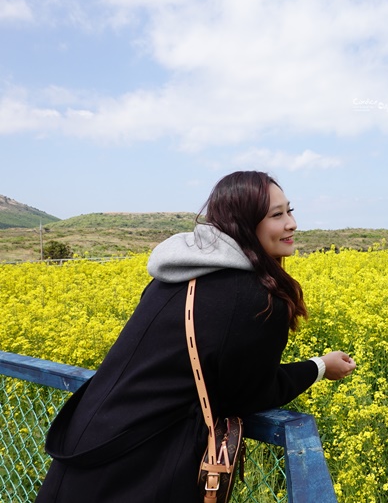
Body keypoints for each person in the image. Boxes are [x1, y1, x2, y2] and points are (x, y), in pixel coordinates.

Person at [36, 170, 356, 502]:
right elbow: (251, 394)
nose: (292, 224)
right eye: (277, 215)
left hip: (86, 444)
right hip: (141, 465)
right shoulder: (257, 301)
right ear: (244, 224)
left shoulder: (177, 275)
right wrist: (320, 366)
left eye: (290, 210)